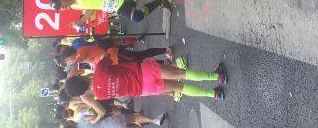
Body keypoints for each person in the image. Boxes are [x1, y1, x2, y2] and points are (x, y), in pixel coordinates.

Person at [63, 56, 228, 120]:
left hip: (143, 89)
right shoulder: (99, 70)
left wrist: (96, 119)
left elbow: (101, 111)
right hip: (143, 72)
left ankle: (213, 93)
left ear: (81, 93)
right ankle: (217, 76)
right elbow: (108, 57)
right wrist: (90, 64)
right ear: (79, 76)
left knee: (180, 87)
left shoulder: (99, 96)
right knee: (181, 73)